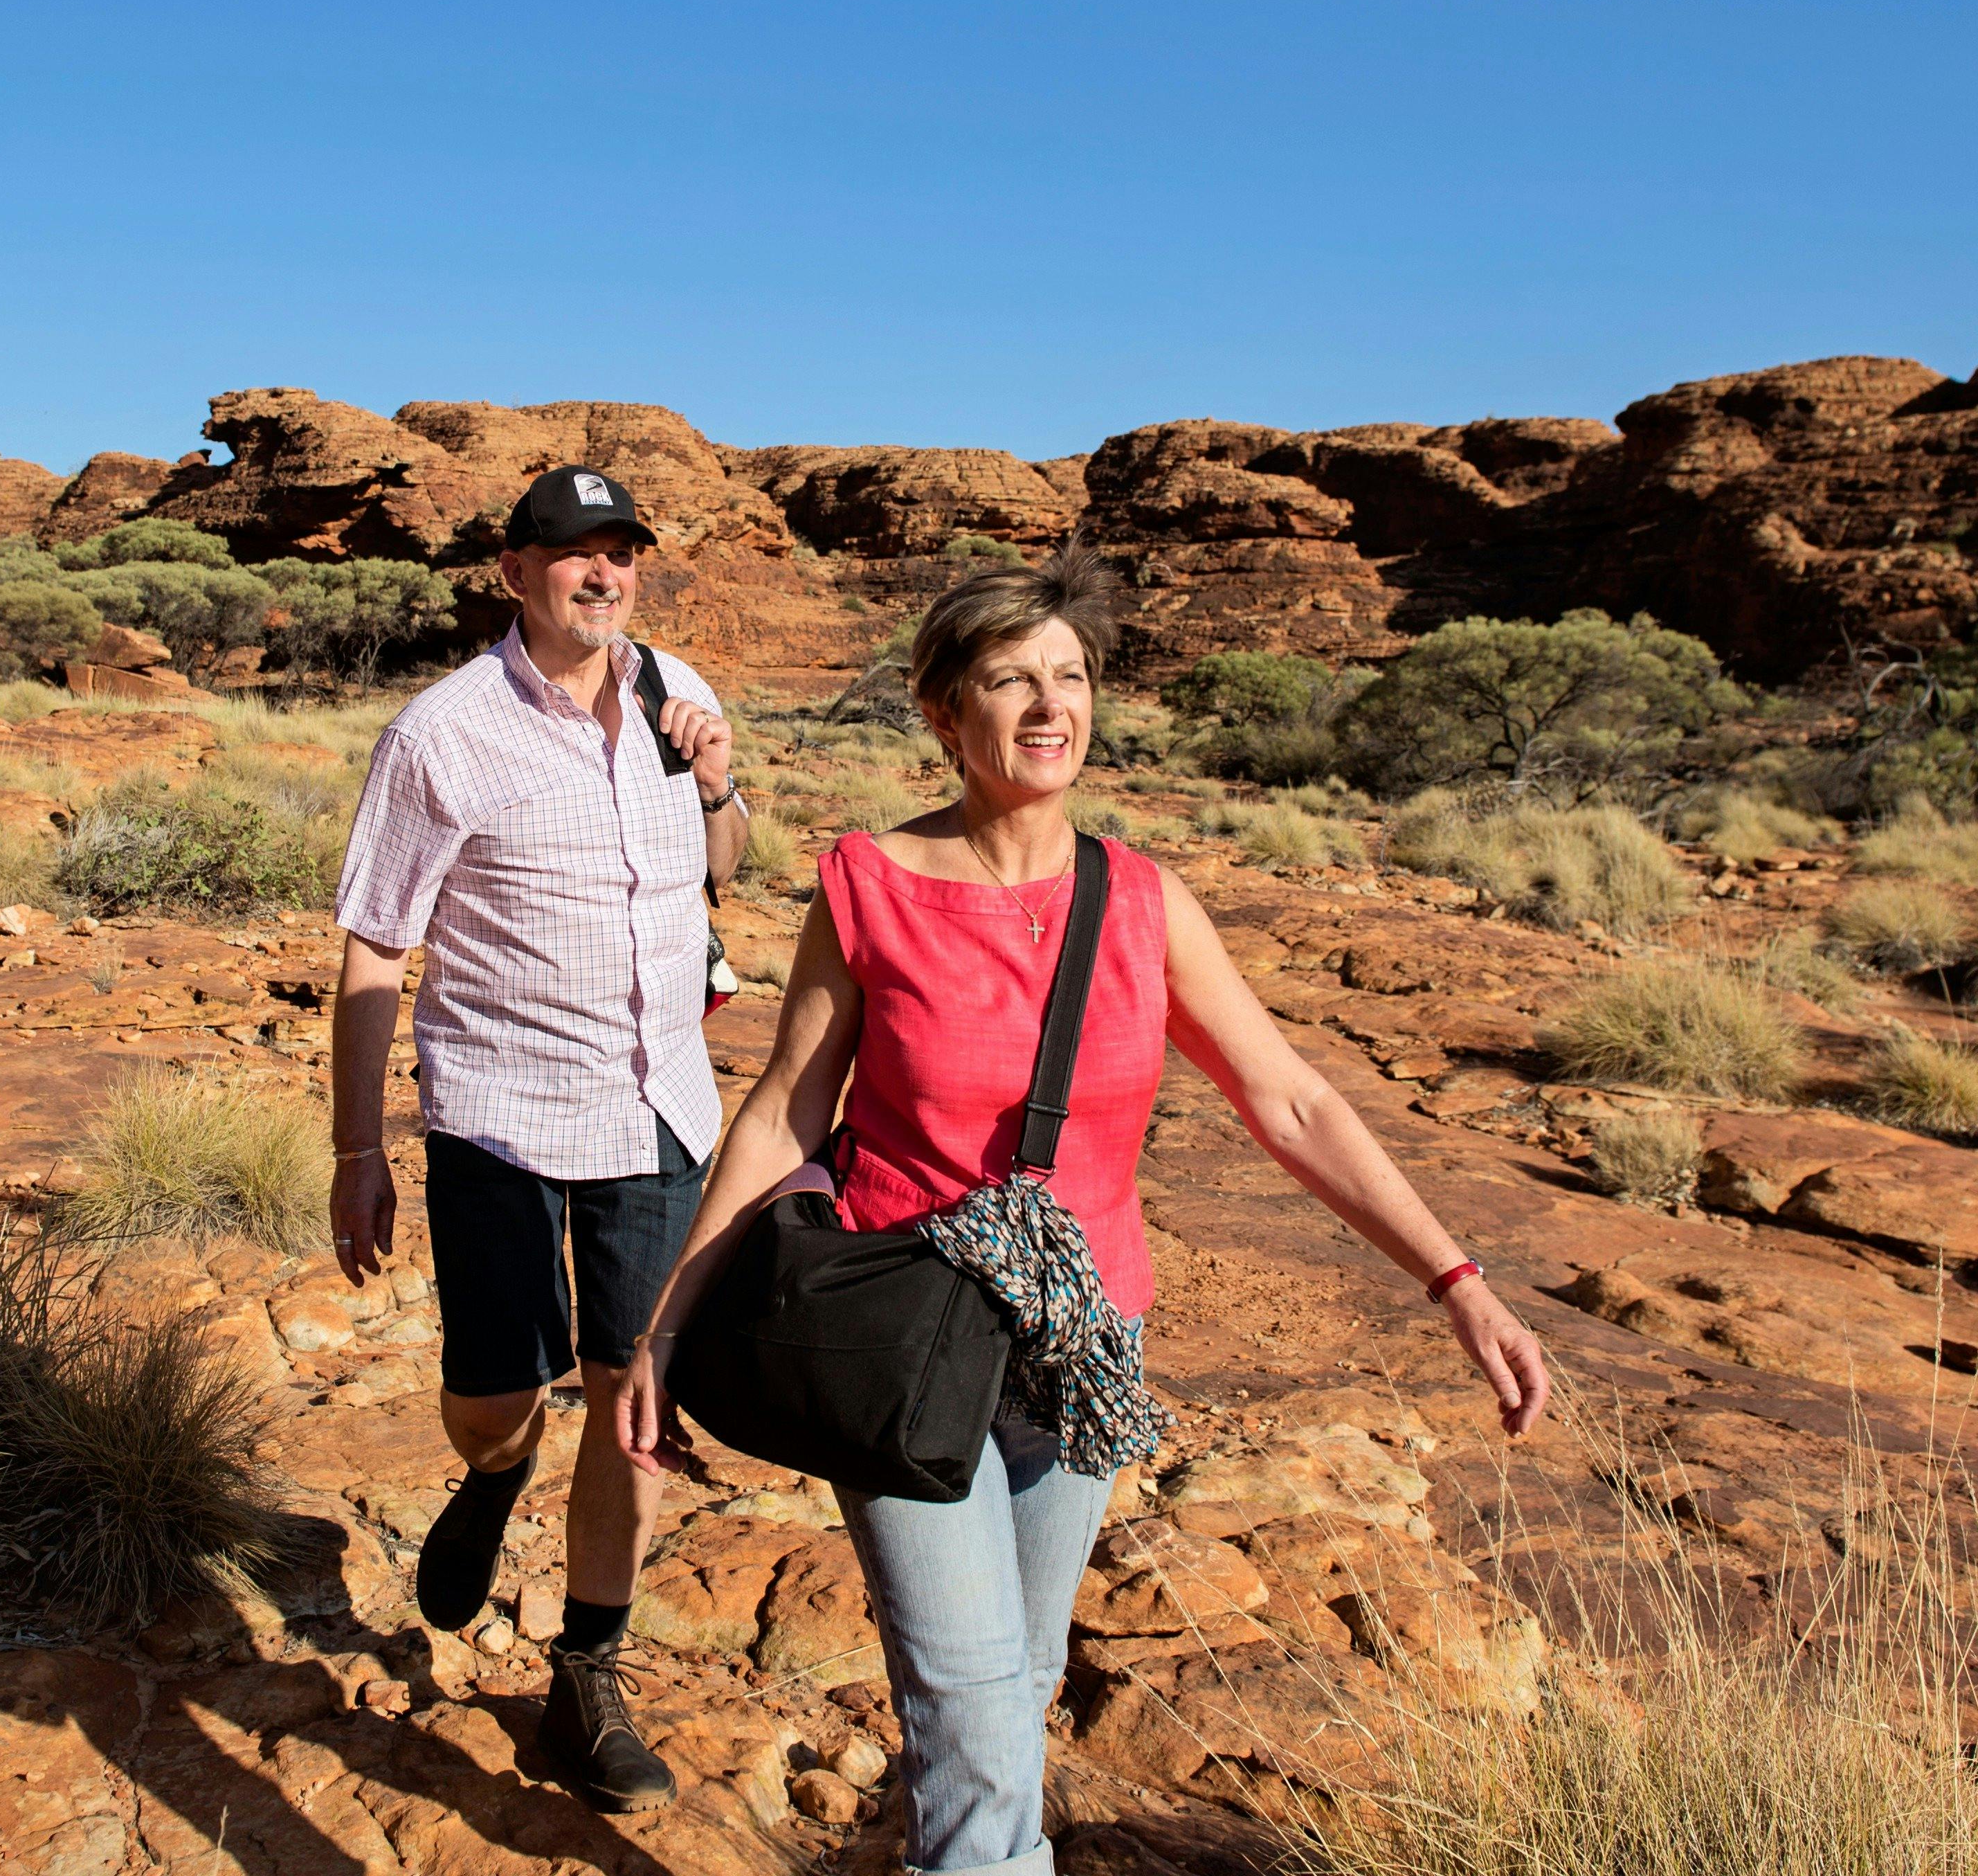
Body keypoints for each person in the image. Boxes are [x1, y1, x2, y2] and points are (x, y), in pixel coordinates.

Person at [617, 545, 1549, 1876]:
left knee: (1019, 1677)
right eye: (1012, 680)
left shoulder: (1142, 901)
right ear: (947, 713)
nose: (1050, 707)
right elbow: (781, 1111)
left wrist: (1461, 1284)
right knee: (978, 1713)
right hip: (901, 1336)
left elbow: (1288, 1103)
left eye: (1071, 677)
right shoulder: (868, 885)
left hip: (1081, 1347)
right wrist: (668, 1325)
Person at [328, 462, 753, 1814]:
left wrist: (718, 782)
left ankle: (586, 1670)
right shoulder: (440, 734)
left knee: (635, 1406)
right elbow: (373, 948)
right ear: (512, 570)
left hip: (660, 1108)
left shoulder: (672, 690)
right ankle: (493, 1470)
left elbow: (726, 864)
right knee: (498, 1396)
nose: (601, 572)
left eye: (619, 549)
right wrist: (357, 1150)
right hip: (500, 1122)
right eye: (570, 551)